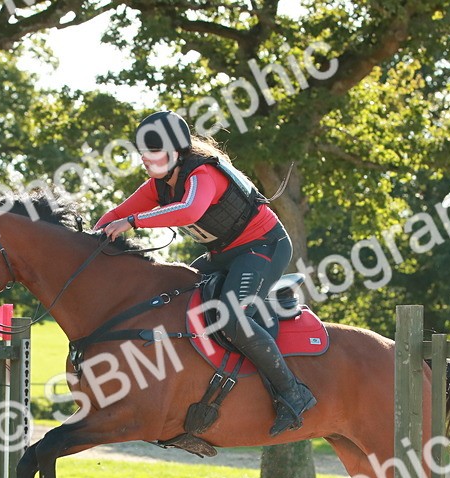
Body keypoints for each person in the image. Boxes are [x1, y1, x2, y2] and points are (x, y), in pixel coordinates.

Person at [94, 110, 316, 436]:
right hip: (224, 254)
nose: (144, 158)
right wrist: (89, 241)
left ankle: (293, 393)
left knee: (229, 316)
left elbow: (189, 211)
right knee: (171, 295)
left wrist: (134, 223)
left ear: (175, 153)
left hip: (263, 247)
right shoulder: (159, 185)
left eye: (152, 151)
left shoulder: (203, 175)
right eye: (143, 151)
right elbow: (117, 212)